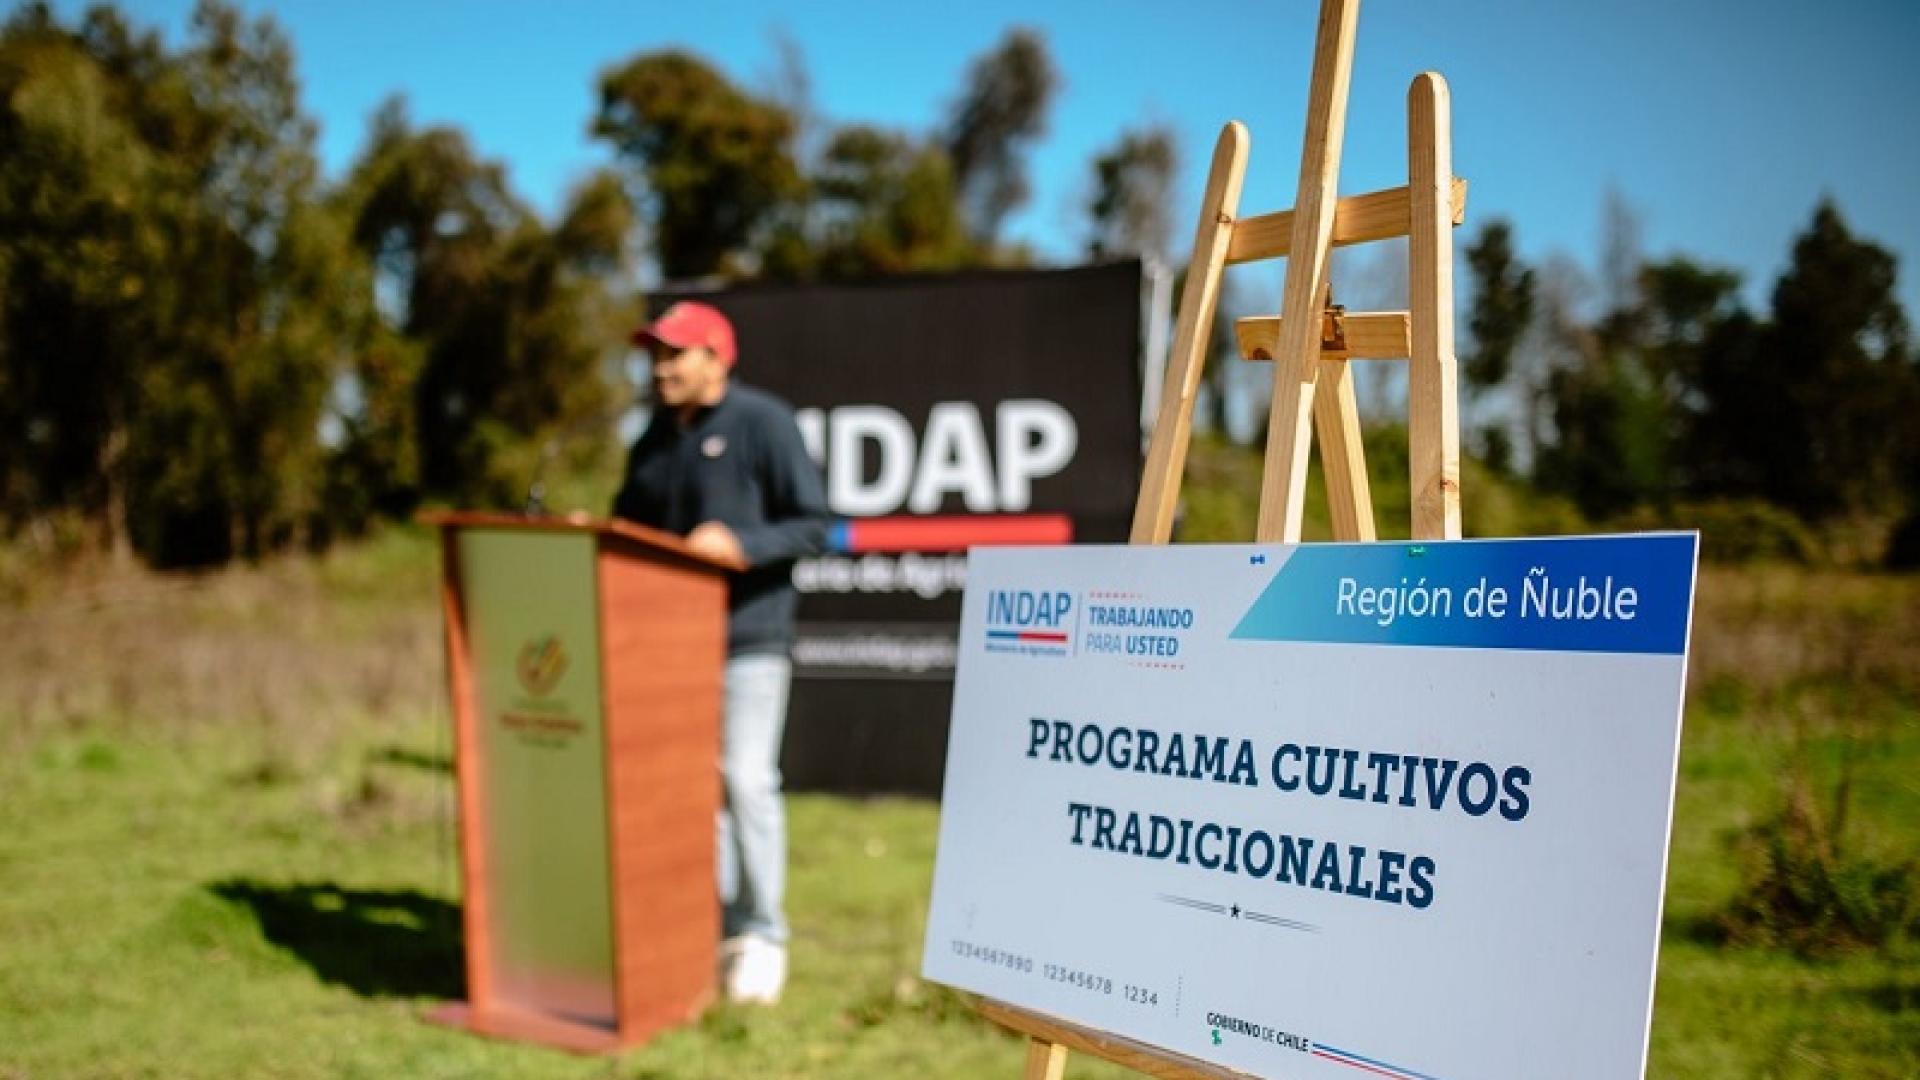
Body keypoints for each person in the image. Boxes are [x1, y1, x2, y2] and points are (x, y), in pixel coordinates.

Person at [611, 301, 828, 1006]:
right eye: (655, 354)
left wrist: (741, 544)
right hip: (671, 647)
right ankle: (716, 925)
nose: (660, 368)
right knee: (694, 788)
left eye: (675, 353)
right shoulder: (652, 440)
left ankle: (763, 933)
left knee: (744, 780)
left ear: (717, 357)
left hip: (749, 636)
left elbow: (815, 525)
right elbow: (628, 529)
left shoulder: (764, 422)